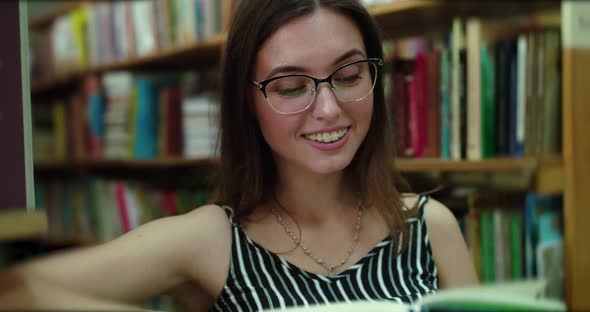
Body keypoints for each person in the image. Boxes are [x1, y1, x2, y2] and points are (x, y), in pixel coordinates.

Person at [0, 0, 478, 311]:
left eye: (350, 76)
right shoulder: (213, 239)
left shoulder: (429, 226)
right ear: (246, 103)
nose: (329, 109)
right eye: (290, 87)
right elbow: (17, 291)